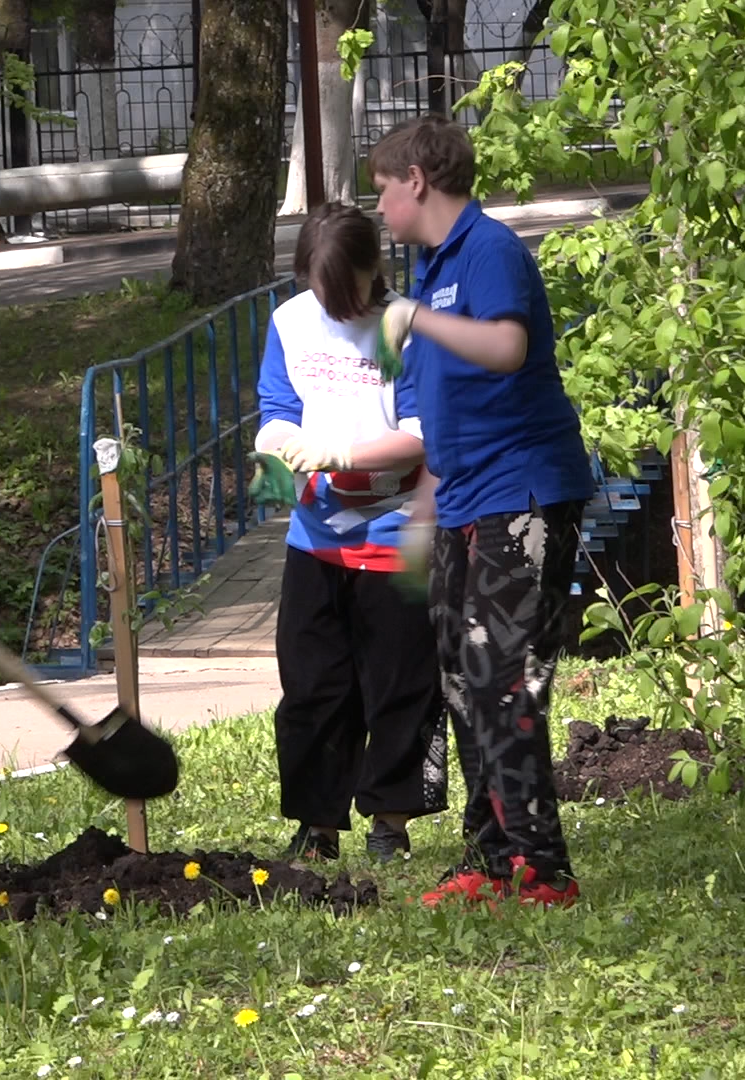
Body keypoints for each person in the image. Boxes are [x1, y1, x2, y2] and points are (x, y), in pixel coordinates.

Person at [370, 116, 596, 908]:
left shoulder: (490, 251)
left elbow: (505, 347)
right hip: (464, 500)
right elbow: (440, 411)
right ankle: (491, 861)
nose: (382, 207)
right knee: (462, 682)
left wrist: (412, 318)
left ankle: (543, 872)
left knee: (506, 679)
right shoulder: (432, 269)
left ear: (418, 181)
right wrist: (423, 510)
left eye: (384, 190)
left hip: (524, 493)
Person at [256, 202, 451, 869]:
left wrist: (341, 456)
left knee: (400, 683)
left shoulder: (404, 329)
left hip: (397, 533)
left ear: (375, 269)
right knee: (312, 686)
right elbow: (276, 413)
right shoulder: (288, 322)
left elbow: (423, 435)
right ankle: (316, 825)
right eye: (321, 289)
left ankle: (390, 824)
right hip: (315, 540)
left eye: (349, 291)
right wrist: (287, 447)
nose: (336, 306)